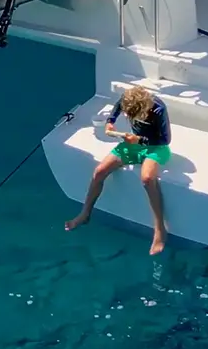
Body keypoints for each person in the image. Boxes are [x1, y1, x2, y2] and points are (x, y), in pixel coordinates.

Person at [65, 84, 172, 254]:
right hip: (132, 143)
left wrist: (139, 140)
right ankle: (85, 214)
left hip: (154, 147)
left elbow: (165, 140)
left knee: (147, 178)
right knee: (99, 171)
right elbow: (114, 112)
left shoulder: (158, 109)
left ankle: (160, 229)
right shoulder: (127, 99)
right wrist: (109, 124)